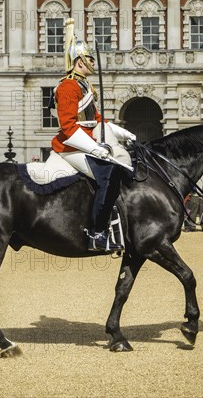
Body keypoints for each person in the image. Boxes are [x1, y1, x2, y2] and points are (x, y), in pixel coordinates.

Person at [51, 18, 135, 252]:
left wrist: (123, 133)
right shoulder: (68, 86)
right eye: (89, 58)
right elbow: (68, 127)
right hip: (71, 146)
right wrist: (95, 148)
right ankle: (96, 233)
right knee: (108, 174)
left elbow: (96, 119)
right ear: (79, 61)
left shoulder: (83, 85)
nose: (92, 62)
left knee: (119, 165)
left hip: (86, 141)